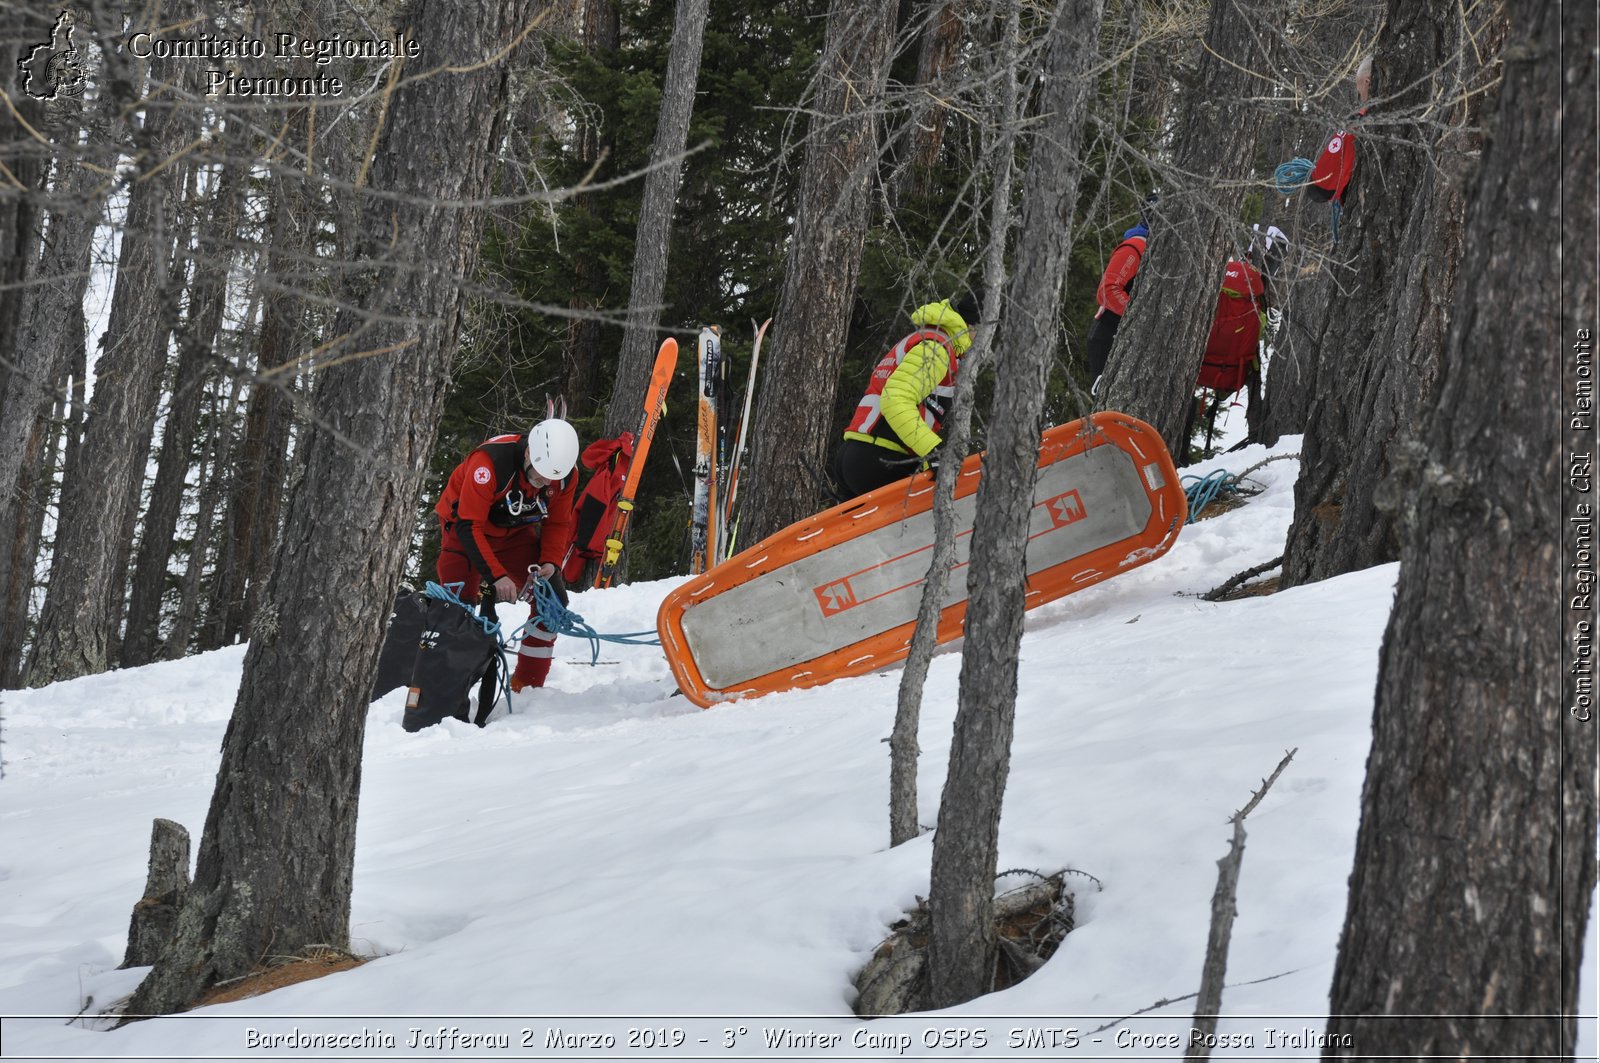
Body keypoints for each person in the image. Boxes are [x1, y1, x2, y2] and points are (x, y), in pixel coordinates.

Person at [434, 417, 580, 694]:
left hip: (513, 533)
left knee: (551, 598)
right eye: (539, 473)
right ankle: (445, 689)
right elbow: (469, 525)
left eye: (551, 477)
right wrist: (497, 575)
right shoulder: (489, 464)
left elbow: (558, 523)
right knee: (456, 607)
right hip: (464, 531)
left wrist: (550, 561)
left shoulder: (565, 476)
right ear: (527, 453)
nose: (545, 481)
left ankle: (527, 685)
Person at [835, 293, 978, 498]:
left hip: (861, 455)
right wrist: (934, 451)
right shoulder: (936, 348)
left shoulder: (929, 340)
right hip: (880, 459)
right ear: (975, 327)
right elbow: (896, 399)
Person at [1085, 223, 1148, 383]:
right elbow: (1107, 291)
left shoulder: (1160, 251)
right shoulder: (1137, 245)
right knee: (1109, 405)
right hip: (1109, 337)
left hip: (1130, 341)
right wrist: (1142, 318)